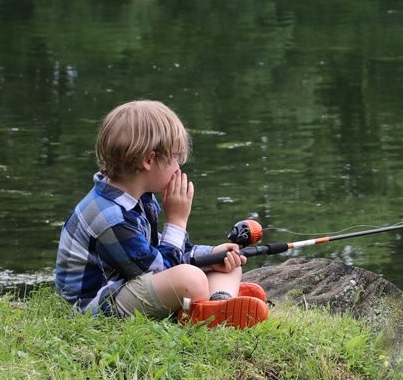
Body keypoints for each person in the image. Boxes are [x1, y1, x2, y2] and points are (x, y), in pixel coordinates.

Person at [54, 100, 268, 328]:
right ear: (148, 160)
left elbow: (159, 253)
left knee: (228, 261)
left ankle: (218, 303)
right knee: (190, 279)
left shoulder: (139, 197)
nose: (179, 167)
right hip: (98, 306)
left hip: (133, 281)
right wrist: (177, 220)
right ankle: (212, 302)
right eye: (175, 157)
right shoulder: (110, 216)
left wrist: (212, 255)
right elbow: (159, 270)